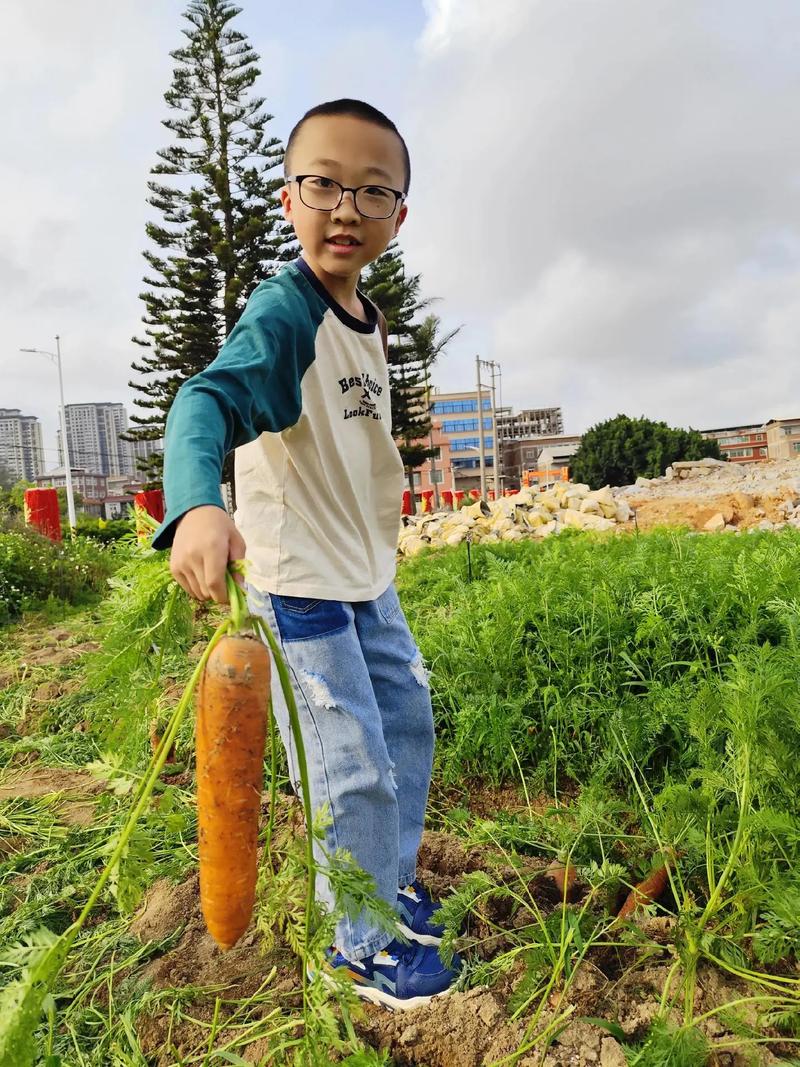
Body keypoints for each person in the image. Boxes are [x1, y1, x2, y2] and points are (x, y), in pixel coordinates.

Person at [152, 99, 461, 1010]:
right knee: (350, 759)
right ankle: (358, 942)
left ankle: (386, 885)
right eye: (323, 183)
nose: (347, 207)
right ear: (289, 197)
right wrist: (200, 504)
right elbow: (203, 402)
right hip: (302, 586)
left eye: (373, 191)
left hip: (368, 578)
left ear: (398, 217)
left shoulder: (365, 316)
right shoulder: (285, 315)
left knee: (406, 729)